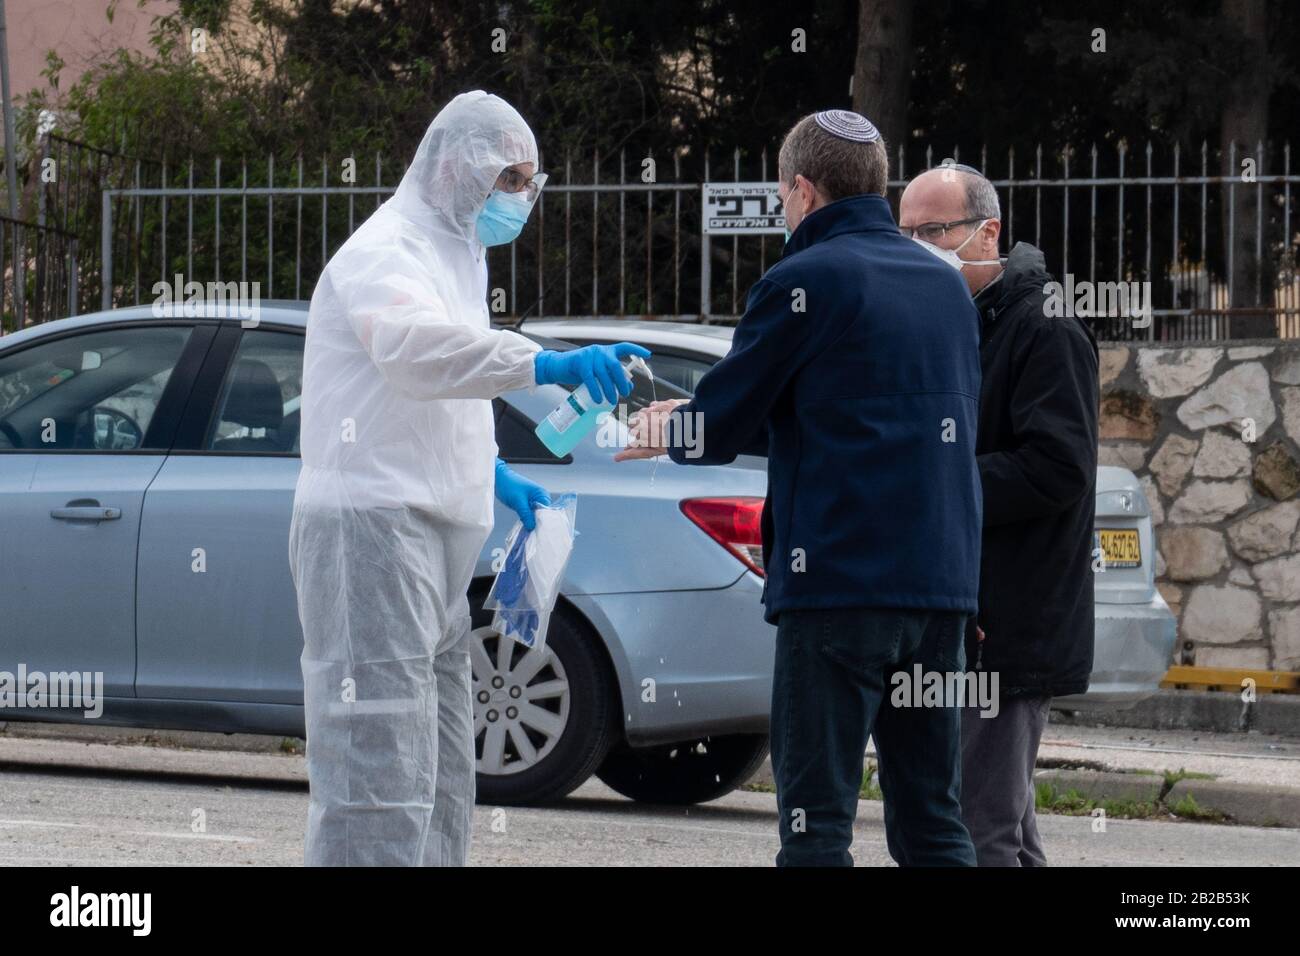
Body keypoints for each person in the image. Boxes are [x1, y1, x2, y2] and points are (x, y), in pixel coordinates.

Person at [288, 90, 648, 866]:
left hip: (436, 545)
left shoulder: (456, 255)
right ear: (457, 166)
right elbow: (418, 356)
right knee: (377, 770)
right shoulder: (386, 251)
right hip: (372, 536)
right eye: (511, 178)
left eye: (530, 181)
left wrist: (494, 478)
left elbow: (429, 408)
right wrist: (542, 365)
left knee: (444, 770)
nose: (522, 197)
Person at [617, 110, 981, 867]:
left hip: (839, 589)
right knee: (935, 820)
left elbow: (722, 426)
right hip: (940, 592)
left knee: (817, 827)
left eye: (783, 196)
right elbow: (845, 414)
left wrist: (669, 429)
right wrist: (700, 418)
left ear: (804, 192)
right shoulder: (944, 287)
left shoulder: (802, 279)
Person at [899, 164, 1099, 867]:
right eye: (905, 232)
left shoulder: (1045, 328)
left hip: (1010, 623)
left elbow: (1058, 467)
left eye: (934, 231)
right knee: (1001, 829)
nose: (917, 245)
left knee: (981, 831)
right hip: (965, 612)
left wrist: (938, 481)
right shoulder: (960, 320)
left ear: (989, 233)